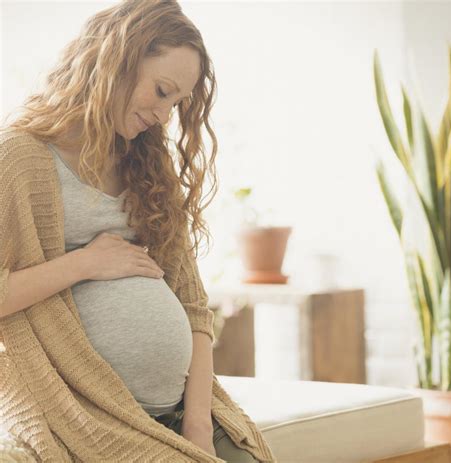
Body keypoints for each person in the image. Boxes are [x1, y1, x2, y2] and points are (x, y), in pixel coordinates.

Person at [0, 1, 276, 461]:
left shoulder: (147, 164)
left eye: (177, 102)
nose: (165, 115)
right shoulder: (19, 158)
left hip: (180, 411)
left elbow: (193, 306)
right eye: (162, 90)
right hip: (86, 411)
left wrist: (199, 426)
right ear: (117, 60)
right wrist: (85, 263)